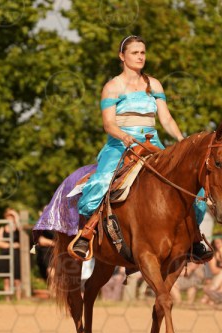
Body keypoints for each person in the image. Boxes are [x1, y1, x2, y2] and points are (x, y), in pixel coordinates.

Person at [71, 35, 212, 261]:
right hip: (121, 144)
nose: (140, 57)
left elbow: (166, 119)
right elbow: (108, 124)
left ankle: (194, 239)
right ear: (122, 56)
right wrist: (124, 136)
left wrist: (183, 141)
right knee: (102, 181)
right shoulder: (112, 87)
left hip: (152, 143)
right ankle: (87, 233)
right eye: (135, 52)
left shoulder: (154, 84)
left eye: (143, 52)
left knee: (191, 186)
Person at [0, 208, 22, 301]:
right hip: (5, 255)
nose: (10, 218)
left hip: (16, 255)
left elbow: (23, 238)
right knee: (6, 279)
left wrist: (16, 217)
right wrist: (12, 245)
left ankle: (19, 299)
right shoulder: (2, 229)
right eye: (8, 216)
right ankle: (7, 300)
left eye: (12, 216)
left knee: (17, 280)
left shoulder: (18, 229)